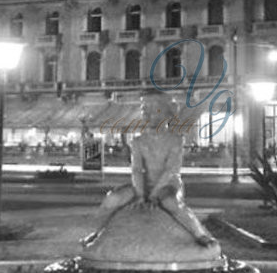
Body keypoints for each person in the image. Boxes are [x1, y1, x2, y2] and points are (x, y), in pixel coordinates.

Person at [81, 91, 216, 247]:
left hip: (168, 185)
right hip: (143, 184)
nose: (148, 113)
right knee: (112, 198)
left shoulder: (175, 140)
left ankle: (199, 234)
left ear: (167, 112)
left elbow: (171, 170)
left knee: (171, 203)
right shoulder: (138, 141)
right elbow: (137, 170)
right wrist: (140, 195)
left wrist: (152, 195)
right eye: (145, 108)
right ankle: (96, 232)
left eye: (154, 108)